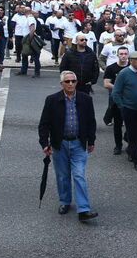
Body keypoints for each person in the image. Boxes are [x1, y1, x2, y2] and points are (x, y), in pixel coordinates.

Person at [38, 71, 98, 221]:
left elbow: (91, 121)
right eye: (67, 81)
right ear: (61, 84)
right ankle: (65, 201)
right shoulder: (52, 100)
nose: (71, 84)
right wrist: (45, 143)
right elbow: (44, 124)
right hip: (60, 144)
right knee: (63, 176)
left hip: (78, 143)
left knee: (78, 175)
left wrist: (91, 141)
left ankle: (83, 209)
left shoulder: (85, 99)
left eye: (73, 81)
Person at [112, 50, 137, 172]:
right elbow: (116, 92)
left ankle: (131, 149)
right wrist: (122, 107)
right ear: (131, 61)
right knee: (133, 136)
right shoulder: (123, 73)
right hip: (129, 109)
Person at [103, 46, 130, 155]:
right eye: (121, 54)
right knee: (117, 124)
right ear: (117, 55)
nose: (123, 56)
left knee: (130, 124)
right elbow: (106, 83)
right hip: (116, 101)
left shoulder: (131, 67)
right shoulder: (111, 68)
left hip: (129, 100)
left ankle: (129, 142)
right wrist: (119, 88)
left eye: (125, 54)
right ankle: (118, 145)